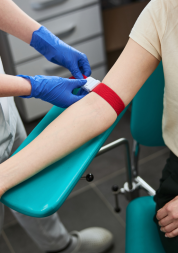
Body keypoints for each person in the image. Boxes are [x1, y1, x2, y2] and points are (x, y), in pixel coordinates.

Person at [0, 0, 114, 253]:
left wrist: (47, 41)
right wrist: (34, 86)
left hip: (3, 110)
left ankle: (61, 247)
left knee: (30, 182)